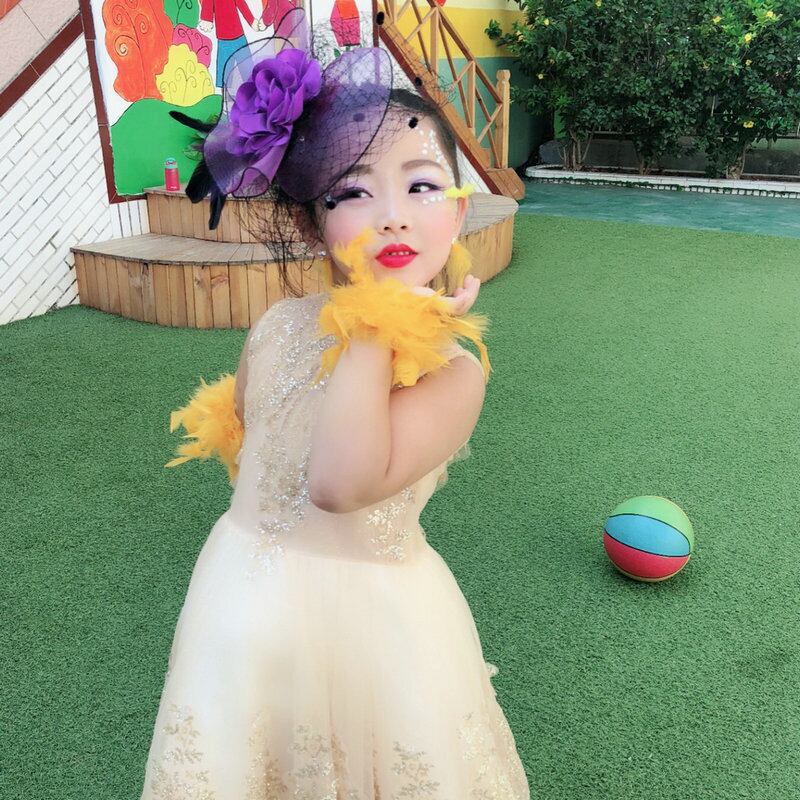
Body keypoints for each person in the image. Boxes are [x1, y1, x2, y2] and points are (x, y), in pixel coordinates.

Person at [142, 10, 530, 797]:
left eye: (421, 185)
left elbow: (340, 484)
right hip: (242, 610)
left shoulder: (453, 374)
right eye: (353, 191)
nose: (393, 214)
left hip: (377, 633)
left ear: (458, 210)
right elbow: (250, 436)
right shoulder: (279, 325)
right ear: (314, 223)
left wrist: (379, 322)